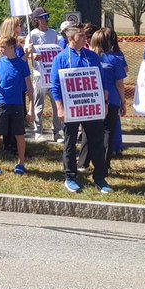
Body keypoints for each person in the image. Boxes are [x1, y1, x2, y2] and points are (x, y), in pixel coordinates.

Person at [50, 23, 111, 194]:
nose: (86, 39)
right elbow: (55, 86)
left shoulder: (92, 56)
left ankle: (100, 177)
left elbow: (102, 81)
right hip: (71, 109)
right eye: (81, 36)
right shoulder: (60, 59)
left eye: (85, 36)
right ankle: (70, 176)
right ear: (71, 38)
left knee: (97, 142)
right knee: (70, 142)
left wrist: (104, 103)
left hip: (91, 107)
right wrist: (60, 108)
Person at [0, 35, 32, 175]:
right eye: (0, 47)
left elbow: (29, 87)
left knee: (19, 134)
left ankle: (21, 163)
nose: (1, 50)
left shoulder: (22, 64)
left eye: (3, 47)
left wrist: (31, 109)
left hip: (17, 104)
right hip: (2, 103)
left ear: (12, 48)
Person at [86, 27, 127, 176]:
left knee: (92, 132)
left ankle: (86, 161)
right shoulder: (115, 59)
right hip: (113, 99)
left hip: (93, 100)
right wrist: (123, 102)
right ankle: (104, 164)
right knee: (108, 132)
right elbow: (119, 84)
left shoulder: (88, 59)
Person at [24, 8, 62, 142]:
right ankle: (38, 131)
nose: (46, 20)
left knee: (56, 102)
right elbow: (26, 54)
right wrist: (33, 55)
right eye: (43, 17)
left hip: (52, 74)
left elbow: (58, 50)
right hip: (39, 74)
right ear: (36, 20)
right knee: (38, 103)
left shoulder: (53, 34)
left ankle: (57, 132)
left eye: (47, 17)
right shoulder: (32, 35)